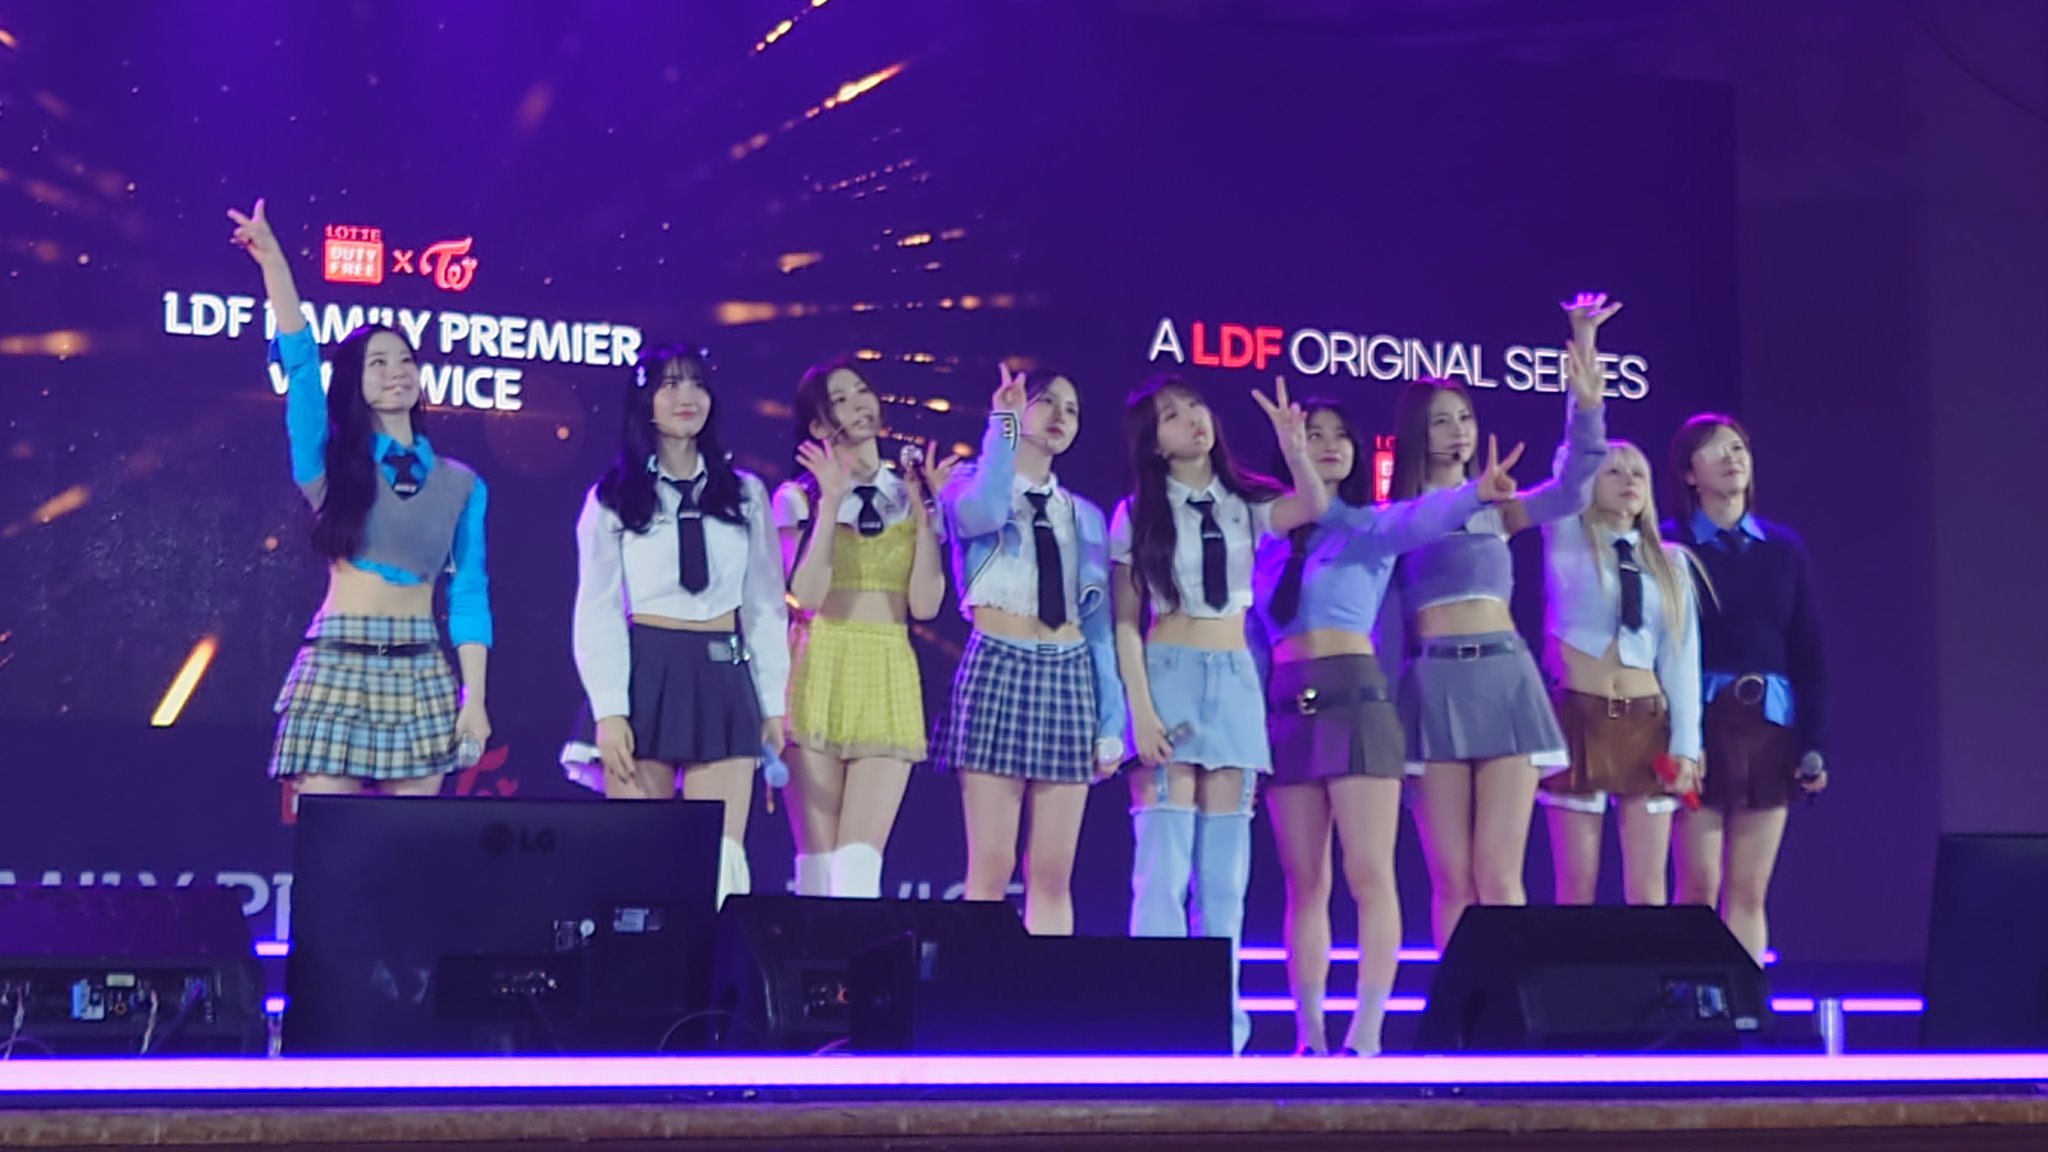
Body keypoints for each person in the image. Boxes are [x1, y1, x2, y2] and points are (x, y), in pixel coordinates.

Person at [1250, 400, 1521, 1055]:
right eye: (1313, 435)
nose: (1329, 445)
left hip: (1357, 699)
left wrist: (1475, 494)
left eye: (1340, 435)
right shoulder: (1263, 529)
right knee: (1304, 882)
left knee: (1368, 871)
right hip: (1286, 704)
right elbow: (1249, 633)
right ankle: (1310, 1035)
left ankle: (1367, 1034)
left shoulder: (1371, 525)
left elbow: (1428, 514)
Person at [230, 198, 490, 796]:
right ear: (354, 378)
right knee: (331, 841)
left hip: (421, 671)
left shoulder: (462, 484)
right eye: (378, 362)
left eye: (405, 360)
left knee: (409, 845)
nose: (396, 371)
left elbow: (470, 592)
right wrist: (274, 265)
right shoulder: (328, 466)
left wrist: (474, 697)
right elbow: (300, 365)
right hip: (336, 663)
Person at [1390, 294, 1615, 949]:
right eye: (1441, 422)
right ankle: (1460, 1005)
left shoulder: (1501, 509)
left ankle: (1511, 1006)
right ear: (1416, 434)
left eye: (1464, 417)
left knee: (1498, 874)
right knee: (1452, 880)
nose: (1458, 431)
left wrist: (1585, 396)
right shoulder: (1398, 515)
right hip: (1433, 686)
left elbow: (1572, 489)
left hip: (1504, 680)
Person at [1111, 372, 1327, 1053]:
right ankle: (1153, 1023)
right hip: (1167, 674)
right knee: (1162, 869)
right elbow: (1123, 623)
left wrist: (1294, 448)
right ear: (1153, 441)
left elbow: (1311, 505)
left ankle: (1219, 1031)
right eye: (1172, 415)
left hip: (1233, 678)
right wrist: (1140, 713)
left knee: (1225, 879)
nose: (1192, 420)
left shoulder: (1243, 502)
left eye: (1195, 407)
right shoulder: (1136, 513)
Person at [562, 341, 787, 906]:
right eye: (670, 384)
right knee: (642, 858)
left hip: (722, 673)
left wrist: (772, 703)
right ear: (645, 402)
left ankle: (716, 965)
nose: (687, 396)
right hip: (646, 673)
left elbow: (764, 605)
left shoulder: (745, 494)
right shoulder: (614, 498)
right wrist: (610, 710)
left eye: (697, 384)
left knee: (720, 858)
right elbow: (597, 609)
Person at [934, 365, 1126, 934]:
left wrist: (1111, 721)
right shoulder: (969, 485)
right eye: (1048, 402)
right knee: (990, 865)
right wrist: (1004, 426)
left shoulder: (1084, 515)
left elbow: (1098, 627)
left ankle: (1047, 986)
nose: (1062, 415)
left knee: (1052, 872)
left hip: (1068, 675)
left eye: (1072, 408)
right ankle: (980, 984)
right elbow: (985, 513)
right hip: (998, 663)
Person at [773, 358, 953, 898]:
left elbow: (926, 605)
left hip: (887, 667)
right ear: (817, 425)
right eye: (840, 399)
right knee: (818, 866)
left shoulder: (911, 494)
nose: (858, 404)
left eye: (862, 391)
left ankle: (856, 958)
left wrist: (927, 519)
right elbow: (805, 596)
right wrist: (830, 505)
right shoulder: (798, 497)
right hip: (817, 664)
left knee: (858, 867)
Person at [1663, 413, 1827, 961]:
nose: (1732, 458)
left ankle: (1746, 1002)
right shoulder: (1671, 546)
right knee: (1699, 885)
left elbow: (1809, 653)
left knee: (1750, 890)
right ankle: (1691, 1000)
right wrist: (1680, 740)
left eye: (1739, 448)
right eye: (1716, 449)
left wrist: (1813, 744)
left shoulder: (1783, 549)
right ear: (1690, 473)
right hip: (1701, 730)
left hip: (1770, 729)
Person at [1538, 440, 1702, 907]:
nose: (1628, 480)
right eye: (1613, 471)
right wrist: (1587, 413)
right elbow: (1568, 469)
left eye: (1638, 473)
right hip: (1580, 717)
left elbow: (1681, 658)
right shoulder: (1567, 540)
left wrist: (1686, 746)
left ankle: (1643, 962)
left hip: (1646, 722)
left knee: (1648, 890)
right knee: (1576, 885)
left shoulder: (1671, 562)